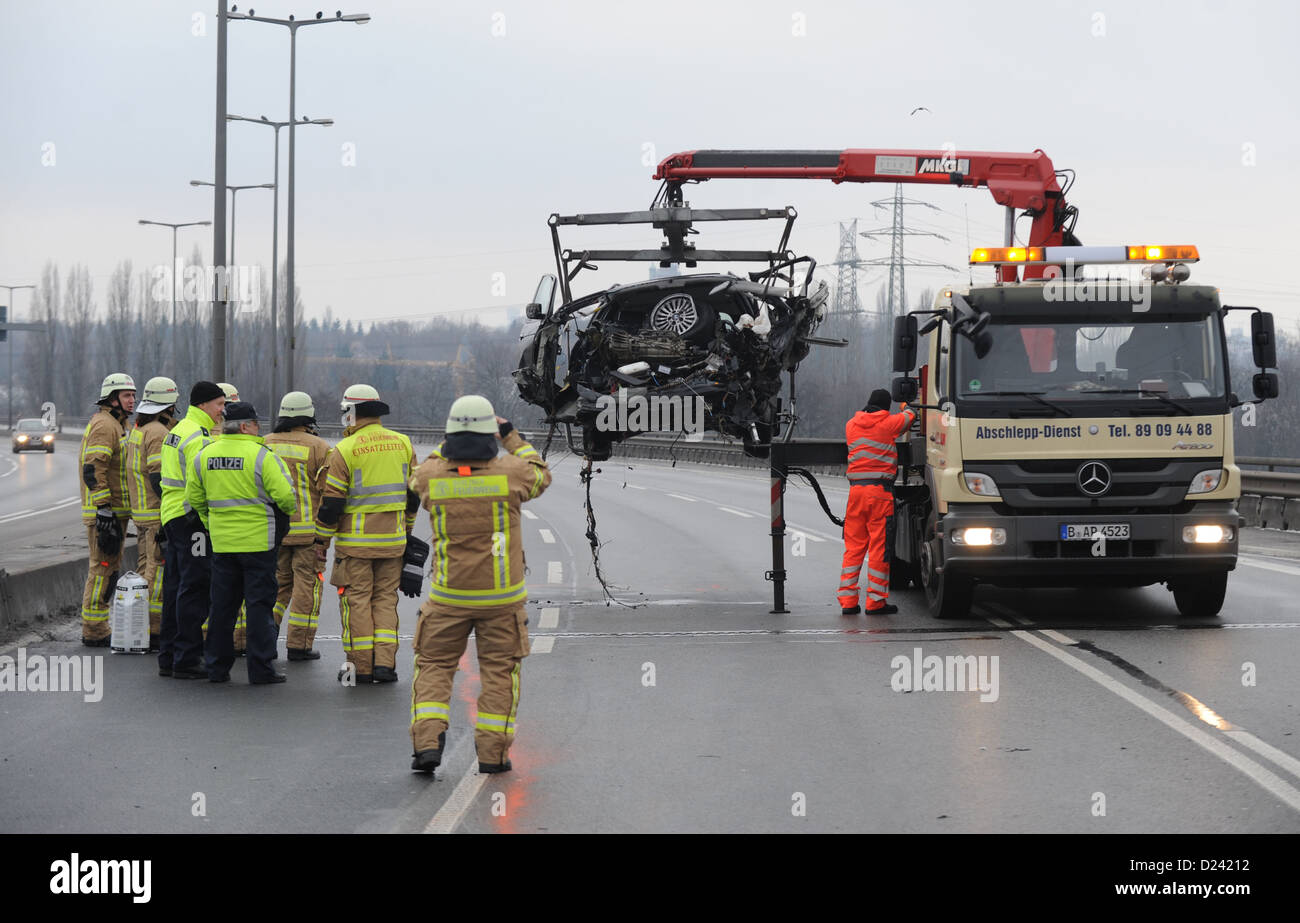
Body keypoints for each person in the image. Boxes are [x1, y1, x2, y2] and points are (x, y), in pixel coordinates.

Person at [407, 395, 551, 774]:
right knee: (499, 674)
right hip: (501, 602)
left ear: (450, 435)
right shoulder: (512, 473)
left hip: (448, 598)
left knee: (434, 667)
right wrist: (511, 437)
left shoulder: (431, 477)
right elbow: (540, 471)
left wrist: (448, 441)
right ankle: (492, 754)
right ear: (492, 434)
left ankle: (426, 744)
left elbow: (422, 471)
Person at [314, 384, 419, 685]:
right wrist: (407, 530)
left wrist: (322, 542)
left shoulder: (344, 451)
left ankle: (361, 668)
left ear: (351, 412)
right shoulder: (403, 444)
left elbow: (331, 505)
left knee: (357, 602)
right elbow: (413, 497)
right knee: (386, 601)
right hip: (393, 542)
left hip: (356, 546)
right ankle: (385, 666)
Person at [186, 401, 296, 684]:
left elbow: (195, 498)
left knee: (222, 607)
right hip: (259, 544)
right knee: (259, 607)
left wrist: (212, 524)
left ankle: (216, 668)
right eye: (255, 423)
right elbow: (285, 497)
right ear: (245, 426)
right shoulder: (261, 456)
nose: (258, 428)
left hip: (222, 545)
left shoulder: (204, 455)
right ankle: (260, 669)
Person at [157, 380, 225, 678]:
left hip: (172, 515)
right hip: (191, 517)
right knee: (195, 586)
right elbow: (204, 482)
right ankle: (187, 658)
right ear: (204, 405)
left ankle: (169, 655)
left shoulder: (177, 431)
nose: (222, 411)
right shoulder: (199, 436)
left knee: (175, 586)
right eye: (219, 404)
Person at [265, 391, 331, 660]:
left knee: (277, 586)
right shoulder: (319, 447)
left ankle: (266, 633)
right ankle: (299, 645)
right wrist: (325, 538)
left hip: (273, 531)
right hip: (307, 534)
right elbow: (329, 493)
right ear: (309, 416)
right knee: (308, 587)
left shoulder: (265, 443)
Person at [838, 389, 915, 616]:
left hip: (856, 493)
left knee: (853, 549)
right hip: (880, 494)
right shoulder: (888, 423)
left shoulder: (851, 425)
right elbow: (911, 417)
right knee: (879, 549)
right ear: (885, 407)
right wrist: (905, 406)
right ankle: (875, 603)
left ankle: (848, 601)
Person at [77, 373, 136, 646]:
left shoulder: (116, 424)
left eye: (133, 395)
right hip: (105, 514)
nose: (132, 400)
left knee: (109, 569)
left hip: (114, 513)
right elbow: (93, 469)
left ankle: (98, 625)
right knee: (102, 568)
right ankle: (94, 630)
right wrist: (103, 509)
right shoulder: (105, 425)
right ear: (112, 399)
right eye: (127, 396)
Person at [125, 376, 179, 650]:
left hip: (141, 513)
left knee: (145, 567)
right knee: (156, 572)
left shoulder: (139, 430)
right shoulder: (158, 432)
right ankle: (154, 628)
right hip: (156, 513)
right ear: (167, 406)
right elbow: (159, 477)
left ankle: (138, 625)